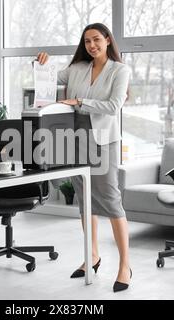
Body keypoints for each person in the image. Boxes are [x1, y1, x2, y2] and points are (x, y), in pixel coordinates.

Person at [36, 23, 131, 292]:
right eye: (87, 41)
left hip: (103, 141)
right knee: (84, 201)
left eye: (97, 40)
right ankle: (92, 255)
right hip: (75, 140)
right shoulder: (77, 68)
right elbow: (50, 79)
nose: (92, 45)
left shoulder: (120, 70)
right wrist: (42, 65)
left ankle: (125, 265)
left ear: (108, 40)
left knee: (111, 200)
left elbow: (113, 106)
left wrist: (78, 102)